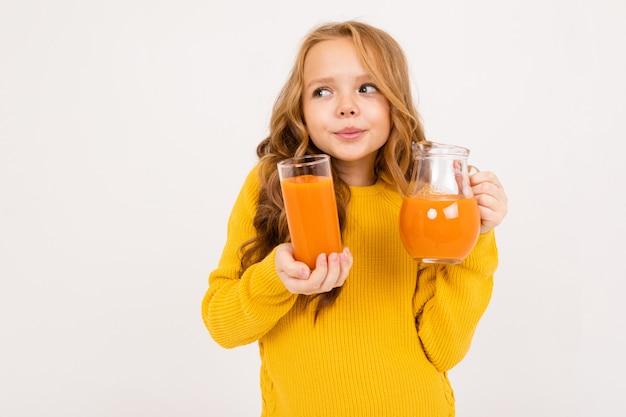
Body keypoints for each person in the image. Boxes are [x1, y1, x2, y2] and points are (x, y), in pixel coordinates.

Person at [201, 20, 508, 417]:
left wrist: (474, 234)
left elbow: (443, 348)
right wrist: (275, 278)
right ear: (301, 108)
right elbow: (222, 326)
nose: (346, 106)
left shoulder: (419, 201)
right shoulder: (272, 189)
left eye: (367, 87)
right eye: (323, 90)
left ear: (395, 100)